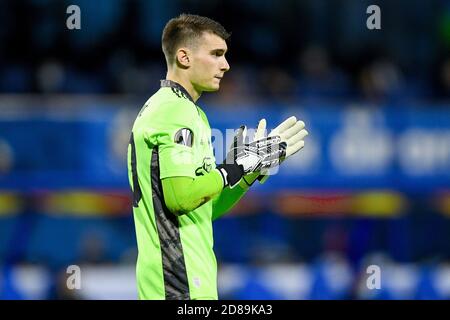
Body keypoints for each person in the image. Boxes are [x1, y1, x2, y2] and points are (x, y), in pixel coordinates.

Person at [127, 13, 308, 300]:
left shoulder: (180, 110)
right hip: (177, 285)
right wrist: (235, 166)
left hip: (182, 283)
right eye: (216, 54)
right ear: (184, 57)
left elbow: (205, 209)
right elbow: (181, 197)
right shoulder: (176, 111)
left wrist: (248, 173)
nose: (225, 65)